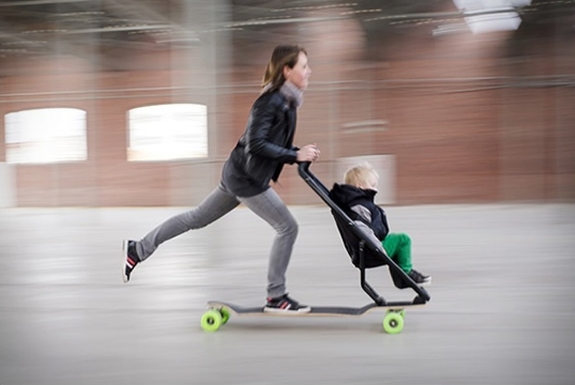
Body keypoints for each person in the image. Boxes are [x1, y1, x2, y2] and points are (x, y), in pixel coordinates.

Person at [122, 44, 319, 313]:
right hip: (247, 180)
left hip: (238, 174)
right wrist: (294, 155)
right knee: (288, 228)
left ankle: (138, 249)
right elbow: (256, 144)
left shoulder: (287, 102)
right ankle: (276, 296)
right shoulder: (269, 102)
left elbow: (268, 145)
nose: (309, 71)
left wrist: (295, 153)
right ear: (287, 70)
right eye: (304, 66)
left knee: (196, 218)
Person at [329, 162, 431, 286]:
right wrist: (378, 247)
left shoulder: (351, 204)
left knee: (395, 242)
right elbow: (361, 228)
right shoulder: (359, 206)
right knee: (403, 239)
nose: (376, 189)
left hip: (365, 250)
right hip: (370, 251)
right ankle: (406, 275)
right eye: (373, 185)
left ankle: (402, 277)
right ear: (360, 186)